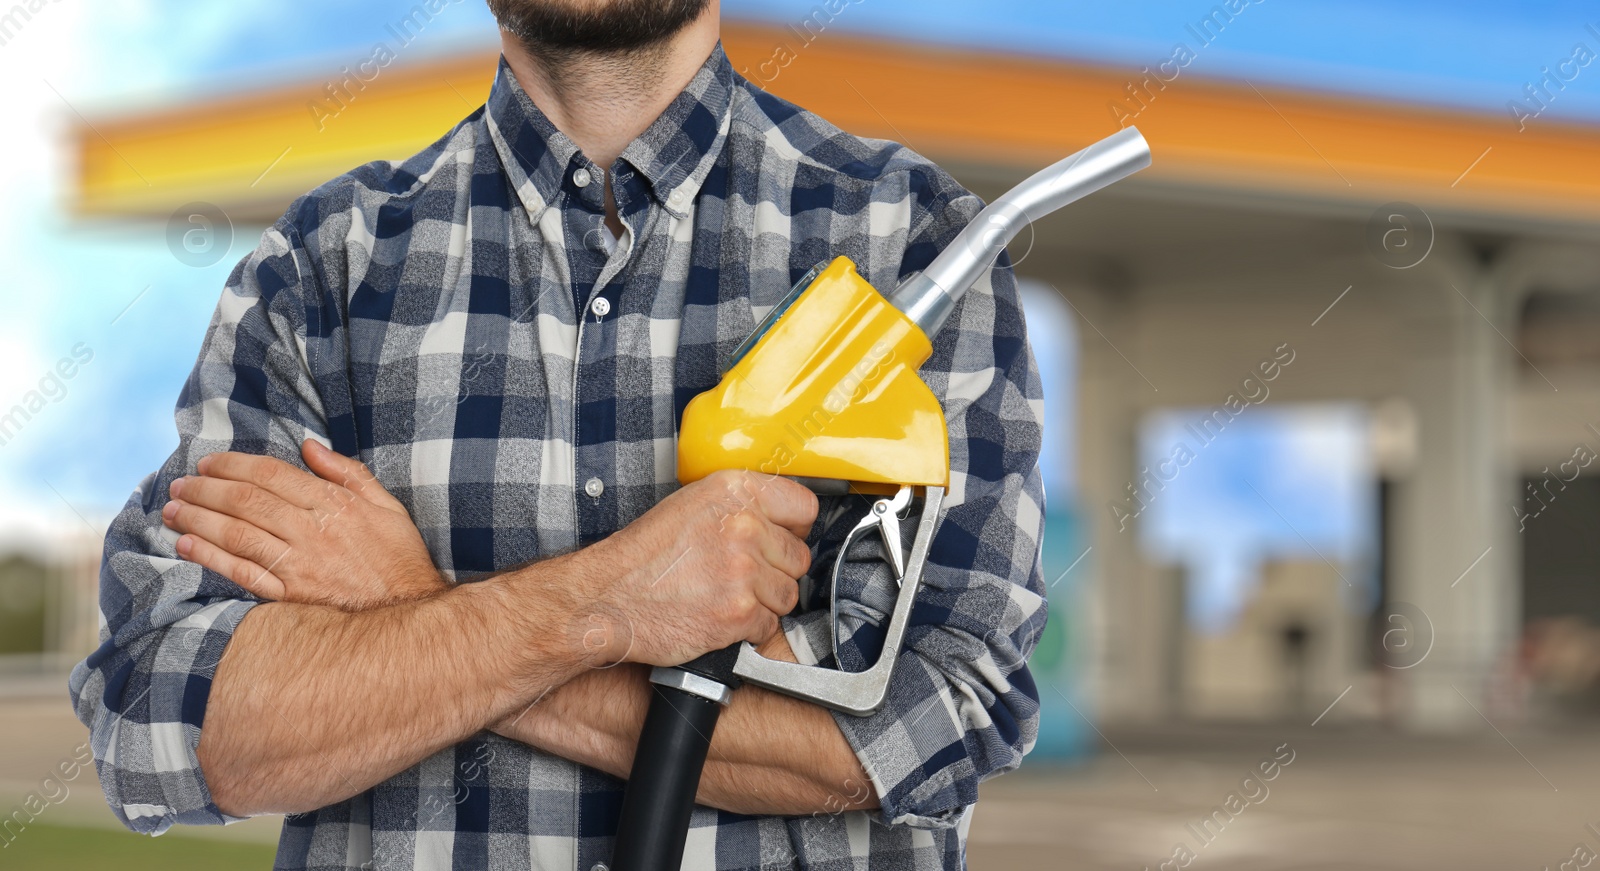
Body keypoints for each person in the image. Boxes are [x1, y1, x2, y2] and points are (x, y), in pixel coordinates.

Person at [68, 1, 1048, 868]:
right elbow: (160, 723)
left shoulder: (914, 242)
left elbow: (943, 722)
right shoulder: (321, 274)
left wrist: (418, 611)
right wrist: (594, 607)